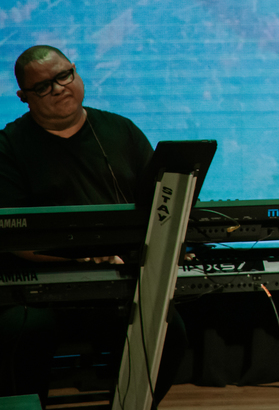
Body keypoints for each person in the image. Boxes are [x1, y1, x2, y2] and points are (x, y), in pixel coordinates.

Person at [0, 45, 184, 408]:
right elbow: (14, 239)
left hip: (116, 281)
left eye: (64, 76)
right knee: (23, 331)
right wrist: (82, 258)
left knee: (168, 329)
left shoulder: (121, 130)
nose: (58, 88)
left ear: (75, 71)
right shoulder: (9, 147)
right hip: (38, 290)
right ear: (24, 97)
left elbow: (157, 207)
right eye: (43, 86)